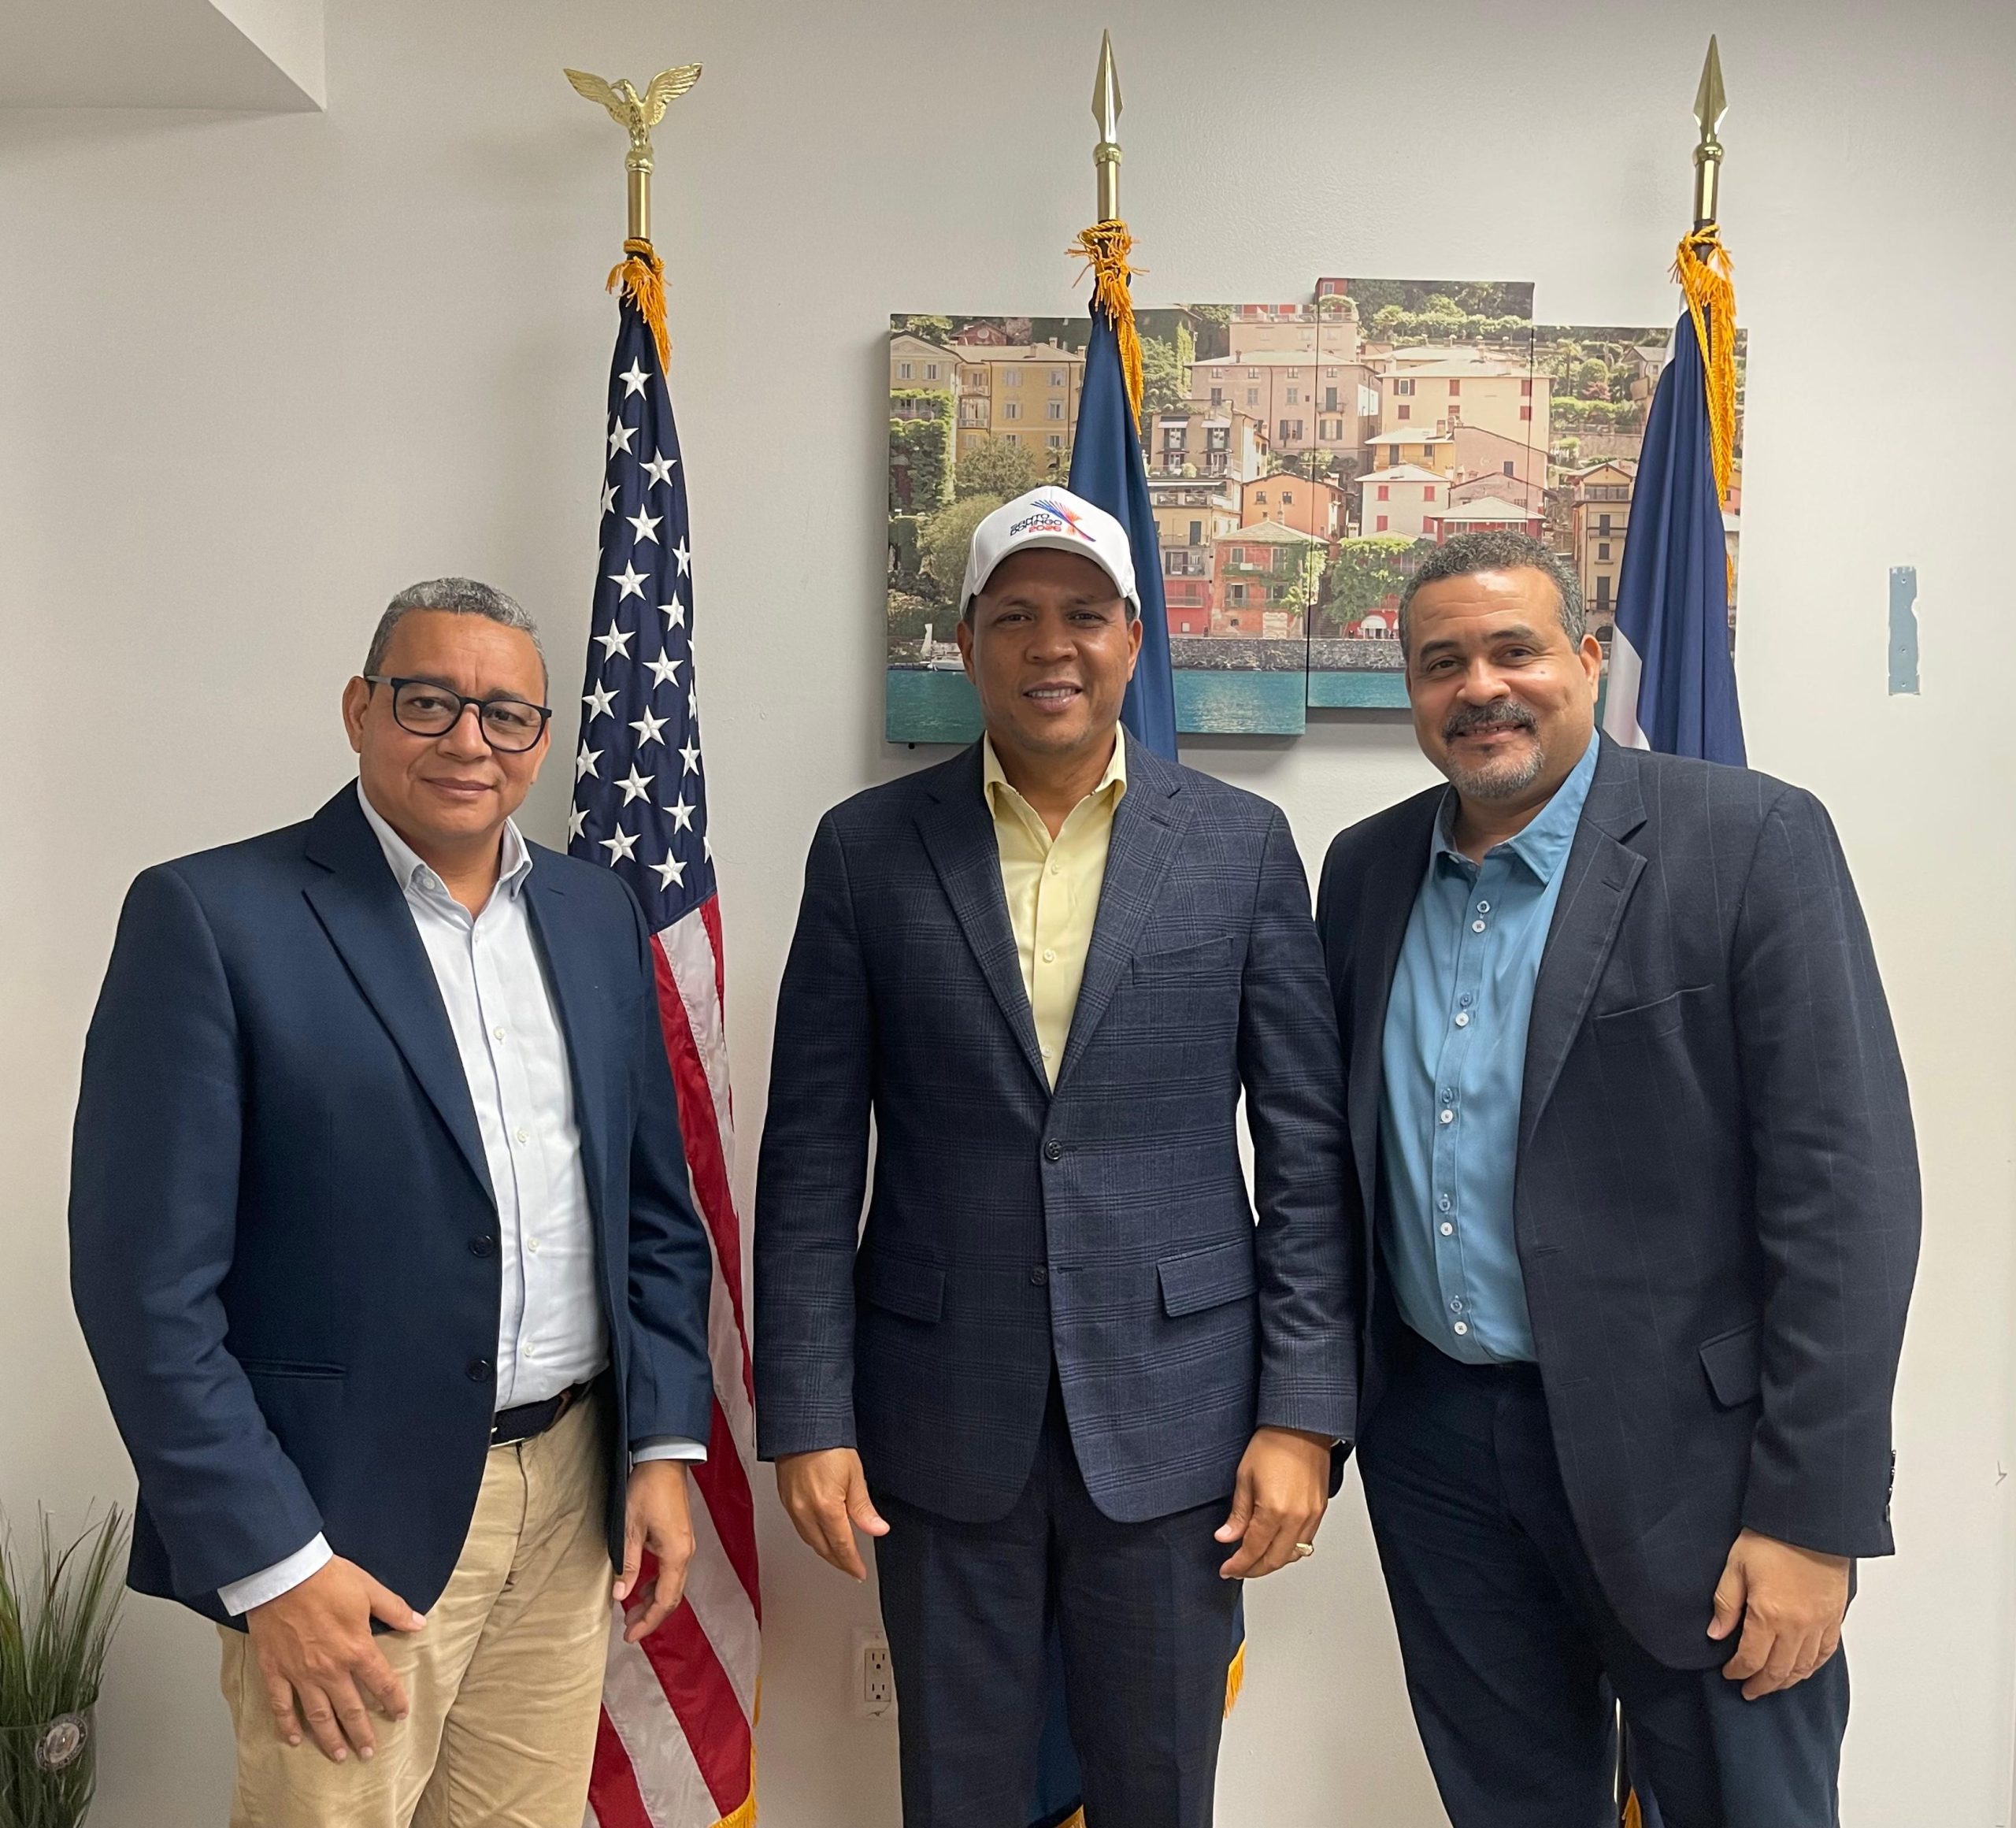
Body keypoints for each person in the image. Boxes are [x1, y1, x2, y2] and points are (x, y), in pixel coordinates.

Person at [70, 579, 716, 1828]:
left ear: (542, 740)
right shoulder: (211, 918)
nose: (470, 740)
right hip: (341, 1523)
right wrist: (273, 1564)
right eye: (429, 702)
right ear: (360, 710)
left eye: (506, 714)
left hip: (571, 1497)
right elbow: (143, 1290)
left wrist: (660, 1446)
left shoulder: (594, 913)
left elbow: (651, 1211)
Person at [756, 488, 1358, 1827]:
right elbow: (807, 1158)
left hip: (1180, 1417)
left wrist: (1304, 1412)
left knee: (1158, 1791)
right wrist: (808, 1412)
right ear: (969, 640)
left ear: (1134, 638)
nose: (1052, 645)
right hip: (937, 1412)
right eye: (1016, 616)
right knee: (957, 1793)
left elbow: (1306, 1156)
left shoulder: (1241, 845)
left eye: (1084, 614)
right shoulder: (866, 849)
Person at [1316, 531, 1919, 1828]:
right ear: (1410, 689)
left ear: (1587, 658)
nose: (1481, 686)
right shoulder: (1363, 872)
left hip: (1699, 1469)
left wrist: (1813, 1516)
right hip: (1440, 1455)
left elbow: (1846, 1196)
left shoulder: (1749, 838)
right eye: (1442, 662)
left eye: (1514, 649)